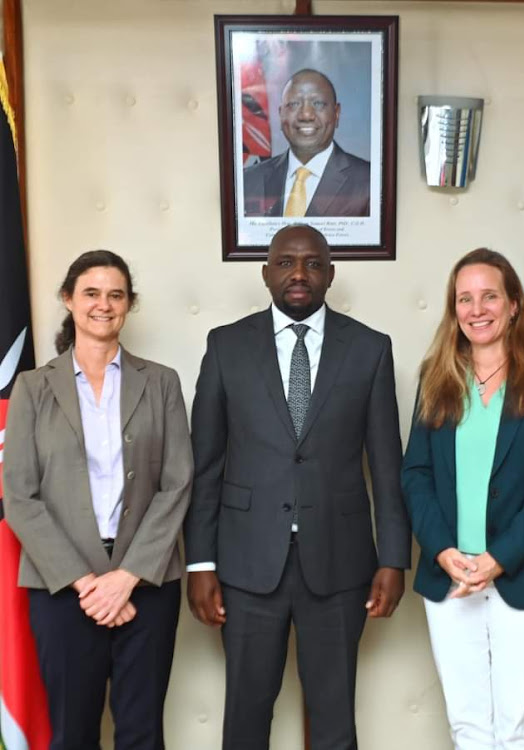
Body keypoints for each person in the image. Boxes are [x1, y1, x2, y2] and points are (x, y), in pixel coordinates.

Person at [184, 224, 410, 750]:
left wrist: (393, 559)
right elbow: (205, 465)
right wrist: (200, 564)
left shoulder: (371, 349)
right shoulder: (226, 346)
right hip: (244, 565)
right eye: (286, 263)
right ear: (266, 273)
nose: (300, 274)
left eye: (312, 264)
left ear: (331, 274)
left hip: (340, 563)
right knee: (245, 715)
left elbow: (386, 465)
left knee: (334, 721)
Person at [3, 250, 193, 750]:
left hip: (148, 583)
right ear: (68, 300)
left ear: (129, 304)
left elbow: (178, 483)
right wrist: (90, 585)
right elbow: (19, 496)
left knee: (142, 731)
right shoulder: (31, 388)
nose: (103, 305)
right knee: (71, 732)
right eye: (91, 293)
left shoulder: (162, 382)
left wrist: (126, 578)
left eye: (116, 294)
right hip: (62, 587)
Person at [402, 247, 524, 750]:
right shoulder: (436, 376)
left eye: (489, 297)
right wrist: (442, 549)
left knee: (517, 728)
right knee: (468, 727)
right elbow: (415, 473)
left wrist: (498, 559)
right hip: (451, 575)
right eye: (464, 299)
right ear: (453, 308)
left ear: (513, 305)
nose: (476, 310)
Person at [243, 69, 370, 217]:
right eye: (294, 104)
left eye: (318, 104)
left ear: (336, 113)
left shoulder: (368, 181)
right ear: (281, 114)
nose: (306, 115)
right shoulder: (248, 180)